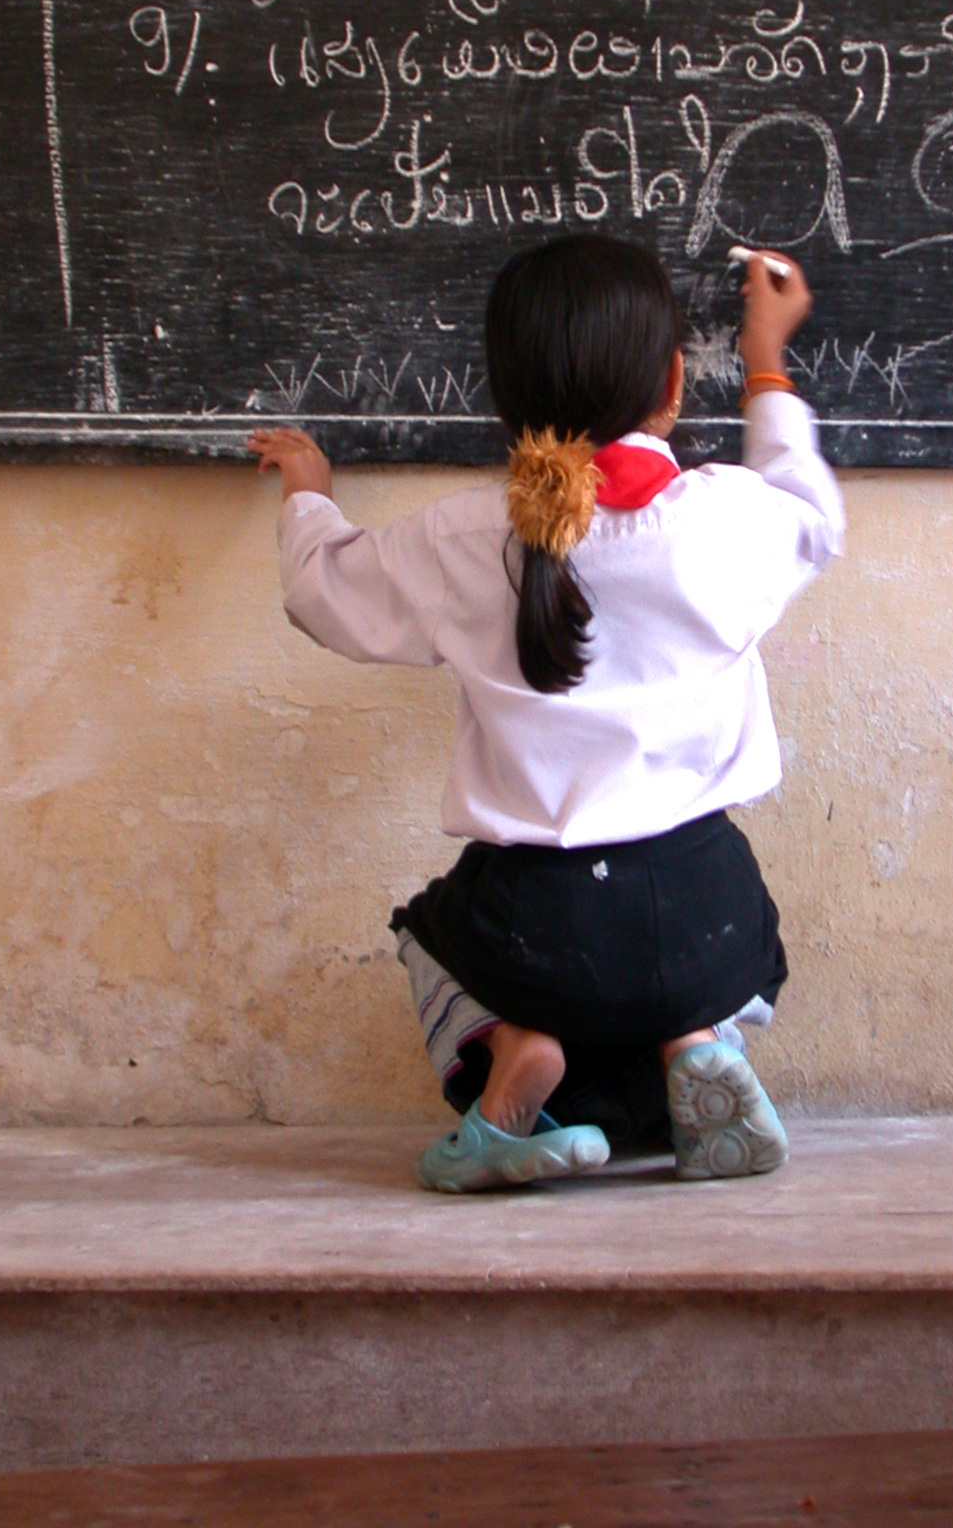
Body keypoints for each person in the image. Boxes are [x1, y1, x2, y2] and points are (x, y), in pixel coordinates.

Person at [251, 234, 844, 1193]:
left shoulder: (460, 537)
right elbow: (812, 512)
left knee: (428, 932)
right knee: (752, 941)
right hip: (705, 913)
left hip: (539, 931)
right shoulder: (728, 518)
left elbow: (326, 592)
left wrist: (311, 494)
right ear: (674, 381)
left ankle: (510, 1072)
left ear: (505, 396)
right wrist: (767, 363)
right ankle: (700, 1039)